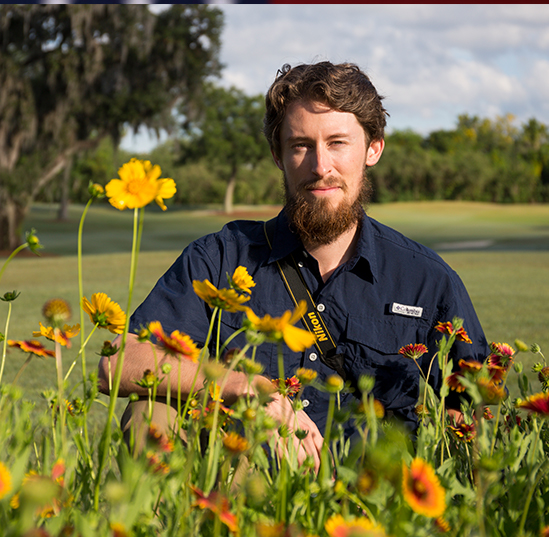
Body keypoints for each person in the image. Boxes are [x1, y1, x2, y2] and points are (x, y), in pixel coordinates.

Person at [98, 61, 489, 471]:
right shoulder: (220, 258)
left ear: (373, 148)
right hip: (241, 497)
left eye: (338, 142)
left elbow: (473, 410)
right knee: (152, 413)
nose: (321, 167)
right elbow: (118, 363)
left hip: (368, 503)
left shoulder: (426, 280)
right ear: (278, 154)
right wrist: (245, 386)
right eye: (301, 145)